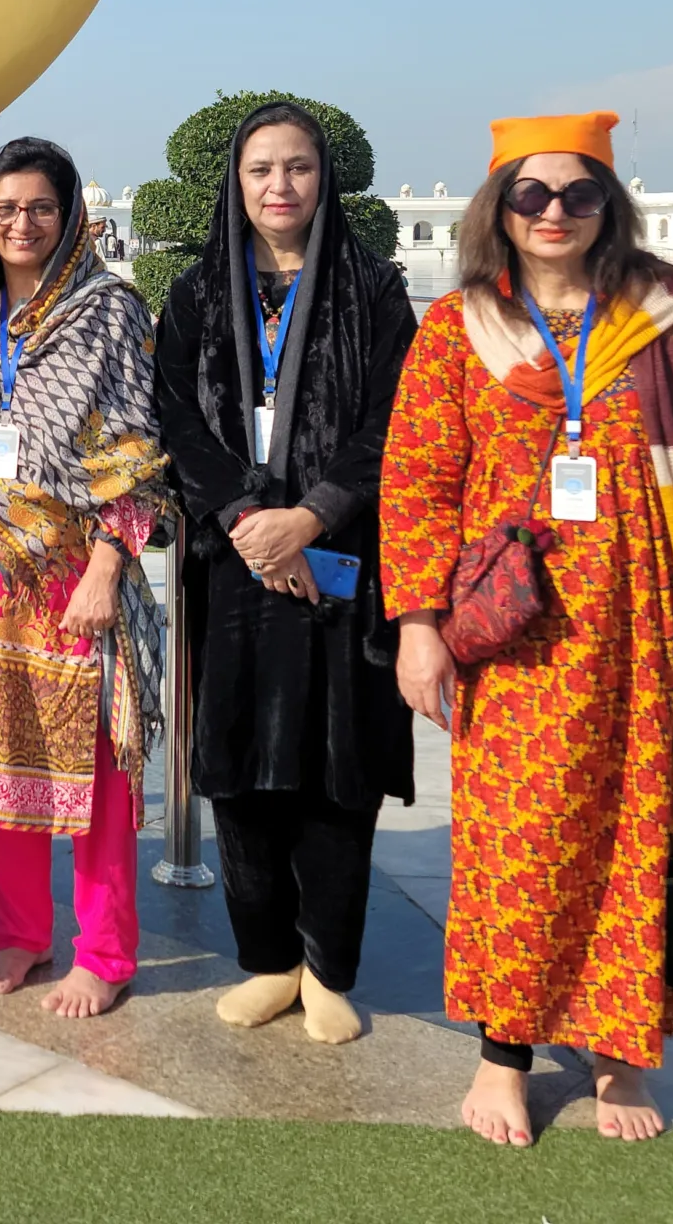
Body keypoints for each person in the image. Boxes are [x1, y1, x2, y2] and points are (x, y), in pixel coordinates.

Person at [381, 112, 673, 1146]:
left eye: (578, 193)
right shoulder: (457, 328)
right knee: (518, 845)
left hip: (659, 632)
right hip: (516, 637)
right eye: (532, 194)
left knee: (644, 839)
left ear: (610, 203)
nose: (554, 212)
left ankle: (620, 1056)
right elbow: (417, 486)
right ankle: (502, 1057)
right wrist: (417, 625)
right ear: (498, 207)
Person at [151, 102, 417, 1044]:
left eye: (297, 167)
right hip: (233, 568)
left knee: (333, 769)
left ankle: (329, 968)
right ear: (237, 178)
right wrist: (247, 520)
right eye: (261, 168)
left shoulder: (374, 290)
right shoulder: (195, 294)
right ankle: (268, 959)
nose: (279, 186)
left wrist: (311, 516)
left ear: (323, 178)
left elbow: (395, 421)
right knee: (240, 771)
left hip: (338, 564)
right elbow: (174, 416)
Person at [0, 138, 170, 1017]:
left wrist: (110, 565)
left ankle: (103, 954)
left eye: (40, 208)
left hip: (77, 577)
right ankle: (20, 936)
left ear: (70, 218)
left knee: (97, 777)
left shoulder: (107, 311)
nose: (21, 224)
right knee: (1, 762)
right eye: (4, 210)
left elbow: (139, 452)